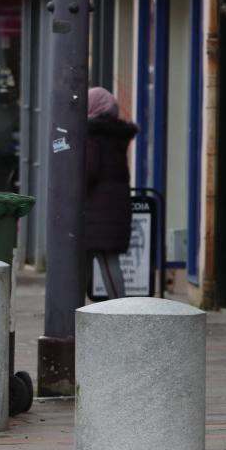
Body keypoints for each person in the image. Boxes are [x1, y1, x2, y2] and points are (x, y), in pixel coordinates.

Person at [85, 86, 138, 299]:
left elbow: (89, 171)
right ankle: (117, 308)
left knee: (99, 260)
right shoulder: (115, 136)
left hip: (95, 210)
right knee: (102, 260)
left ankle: (118, 309)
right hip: (110, 210)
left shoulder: (93, 135)